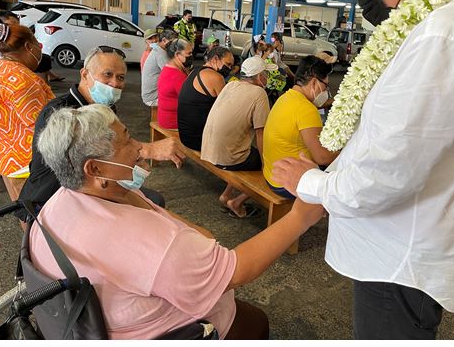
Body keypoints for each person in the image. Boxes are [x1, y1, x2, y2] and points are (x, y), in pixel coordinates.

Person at [269, 0, 454, 338]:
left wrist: (311, 182)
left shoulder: (443, 35)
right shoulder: (450, 21)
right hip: (400, 247)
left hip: (401, 259)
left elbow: (391, 170)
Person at [32, 104, 324, 338]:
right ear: (94, 168)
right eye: (127, 140)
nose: (139, 148)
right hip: (158, 332)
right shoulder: (152, 243)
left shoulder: (55, 205)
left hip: (86, 323)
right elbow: (236, 272)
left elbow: (193, 236)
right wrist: (299, 216)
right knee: (255, 321)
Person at [20, 48, 182, 214]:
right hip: (55, 196)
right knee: (147, 207)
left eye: (120, 77)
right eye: (107, 74)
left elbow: (114, 150)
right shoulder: (61, 114)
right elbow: (76, 169)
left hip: (91, 188)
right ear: (84, 75)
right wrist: (147, 149)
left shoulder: (104, 108)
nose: (115, 83)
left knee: (149, 202)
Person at [0, 22, 55, 203]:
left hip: (2, 152)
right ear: (29, 46)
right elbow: (45, 126)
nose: (39, 48)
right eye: (37, 44)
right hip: (22, 160)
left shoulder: (0, 67)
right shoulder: (22, 79)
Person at [202, 56, 273, 218]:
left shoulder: (231, 85)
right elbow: (261, 134)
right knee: (270, 166)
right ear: (260, 77)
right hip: (228, 157)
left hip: (209, 149)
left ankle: (226, 195)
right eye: (266, 74)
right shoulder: (259, 93)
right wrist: (266, 164)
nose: (267, 78)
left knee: (239, 149)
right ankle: (237, 201)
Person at [262, 55, 338, 199]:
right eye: (326, 86)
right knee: (336, 172)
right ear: (314, 82)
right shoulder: (306, 109)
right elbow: (322, 158)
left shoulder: (285, 97)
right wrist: (344, 151)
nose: (325, 91)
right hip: (285, 184)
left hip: (271, 173)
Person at [176, 46, 235, 152]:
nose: (229, 69)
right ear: (215, 59)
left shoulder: (194, 71)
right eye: (228, 64)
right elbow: (228, 109)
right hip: (200, 141)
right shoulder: (216, 77)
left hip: (185, 136)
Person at [155, 38, 195, 130]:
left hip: (165, 118)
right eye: (189, 53)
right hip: (173, 122)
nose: (191, 56)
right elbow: (190, 101)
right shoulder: (177, 76)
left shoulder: (168, 67)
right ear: (177, 54)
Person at [140, 29, 177, 108]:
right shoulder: (160, 53)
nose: (154, 40)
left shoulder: (159, 49)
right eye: (172, 43)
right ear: (163, 40)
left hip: (153, 93)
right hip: (152, 97)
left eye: (155, 37)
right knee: (182, 100)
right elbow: (172, 73)